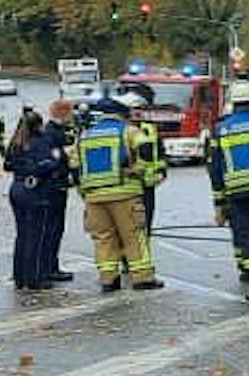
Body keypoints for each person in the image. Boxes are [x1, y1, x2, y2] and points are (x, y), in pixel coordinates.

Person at [73, 95, 159, 292]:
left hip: (94, 197)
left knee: (104, 238)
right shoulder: (128, 131)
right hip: (125, 194)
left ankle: (108, 279)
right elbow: (145, 146)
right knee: (133, 236)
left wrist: (83, 191)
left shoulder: (86, 135)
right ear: (122, 115)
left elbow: (74, 165)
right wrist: (140, 169)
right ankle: (142, 278)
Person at [209, 82, 249, 299]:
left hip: (237, 192)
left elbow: (215, 168)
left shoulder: (221, 129)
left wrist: (219, 203)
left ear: (233, 102)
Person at [4, 111, 65, 290]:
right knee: (37, 236)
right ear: (39, 125)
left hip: (17, 188)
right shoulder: (41, 142)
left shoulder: (16, 141)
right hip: (36, 190)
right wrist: (56, 159)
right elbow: (45, 166)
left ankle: (20, 276)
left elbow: (7, 165)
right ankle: (36, 277)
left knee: (22, 235)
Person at [40, 100, 77, 283]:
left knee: (55, 229)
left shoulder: (56, 131)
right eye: (69, 113)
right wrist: (66, 155)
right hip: (54, 187)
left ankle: (51, 266)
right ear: (64, 113)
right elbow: (56, 158)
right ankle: (49, 268)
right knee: (53, 229)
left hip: (57, 186)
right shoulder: (52, 133)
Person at [124, 92, 167, 234]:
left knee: (147, 221)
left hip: (148, 184)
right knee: (130, 224)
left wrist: (161, 172)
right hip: (129, 184)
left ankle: (144, 251)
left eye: (140, 109)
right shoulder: (122, 131)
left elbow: (159, 153)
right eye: (134, 109)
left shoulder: (151, 129)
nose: (138, 112)